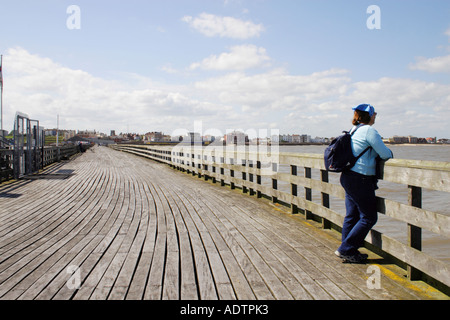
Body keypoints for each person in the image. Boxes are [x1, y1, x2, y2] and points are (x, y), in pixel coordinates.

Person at [335, 104, 393, 263]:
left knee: (352, 216)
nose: (375, 116)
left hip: (348, 176)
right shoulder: (369, 131)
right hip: (360, 179)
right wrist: (390, 153)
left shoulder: (354, 130)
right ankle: (346, 249)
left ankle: (348, 251)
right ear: (370, 115)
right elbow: (385, 154)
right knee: (368, 217)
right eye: (375, 114)